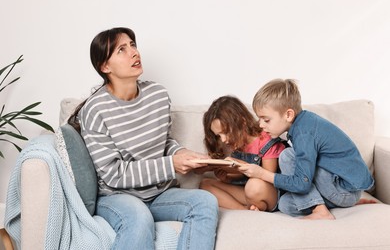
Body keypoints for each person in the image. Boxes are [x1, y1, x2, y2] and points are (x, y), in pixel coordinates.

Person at [68, 27, 218, 250]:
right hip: (117, 196)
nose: (133, 52)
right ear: (105, 66)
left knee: (205, 202)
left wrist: (180, 154)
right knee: (138, 217)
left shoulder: (158, 95)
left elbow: (164, 142)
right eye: (121, 49)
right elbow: (113, 174)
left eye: (133, 45)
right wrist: (171, 165)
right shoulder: (95, 109)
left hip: (159, 193)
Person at [248, 78, 374, 220]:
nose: (260, 125)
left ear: (288, 115)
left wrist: (262, 174)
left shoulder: (304, 133)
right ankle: (340, 204)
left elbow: (302, 183)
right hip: (337, 190)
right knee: (285, 204)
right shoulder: (301, 125)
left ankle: (320, 211)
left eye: (266, 120)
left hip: (344, 189)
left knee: (287, 156)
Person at [199, 95, 286, 211]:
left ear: (242, 122)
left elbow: (268, 178)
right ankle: (244, 210)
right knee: (205, 184)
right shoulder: (238, 143)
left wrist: (239, 164)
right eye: (219, 136)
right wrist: (228, 178)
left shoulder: (266, 141)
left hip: (269, 193)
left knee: (254, 185)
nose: (223, 140)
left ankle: (256, 206)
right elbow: (243, 177)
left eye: (225, 132)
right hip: (248, 192)